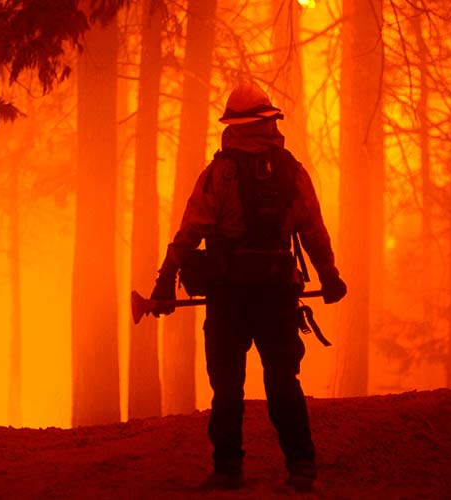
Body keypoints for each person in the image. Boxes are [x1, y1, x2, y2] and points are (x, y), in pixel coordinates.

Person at [150, 81, 347, 492]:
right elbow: (313, 230)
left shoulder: (218, 174)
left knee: (226, 387)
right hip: (278, 293)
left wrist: (165, 280)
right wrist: (329, 277)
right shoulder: (291, 172)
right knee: (283, 381)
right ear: (268, 121)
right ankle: (301, 466)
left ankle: (228, 469)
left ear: (233, 126)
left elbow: (189, 233)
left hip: (229, 297)